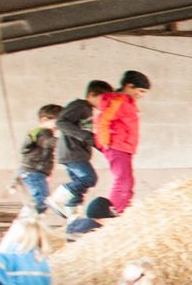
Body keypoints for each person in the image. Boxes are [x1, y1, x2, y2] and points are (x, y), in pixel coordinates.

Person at [91, 70, 150, 213]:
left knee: (127, 182)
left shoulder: (127, 102)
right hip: (117, 146)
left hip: (124, 147)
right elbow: (103, 119)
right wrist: (105, 141)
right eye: (140, 91)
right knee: (123, 181)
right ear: (129, 86)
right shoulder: (119, 101)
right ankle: (113, 213)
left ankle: (122, 211)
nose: (141, 95)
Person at [54, 81, 103, 212]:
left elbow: (88, 135)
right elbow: (61, 122)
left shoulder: (88, 110)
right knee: (89, 178)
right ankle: (57, 198)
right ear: (92, 94)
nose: (105, 103)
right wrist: (85, 136)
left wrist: (102, 146)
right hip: (73, 152)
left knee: (80, 187)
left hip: (77, 153)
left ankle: (73, 216)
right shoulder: (79, 105)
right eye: (103, 99)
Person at [18, 105, 59, 215]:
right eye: (58, 121)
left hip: (34, 172)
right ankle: (25, 221)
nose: (60, 126)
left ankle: (29, 221)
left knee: (41, 200)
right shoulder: (41, 132)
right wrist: (66, 142)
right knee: (41, 201)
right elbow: (48, 142)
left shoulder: (42, 133)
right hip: (33, 171)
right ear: (44, 119)